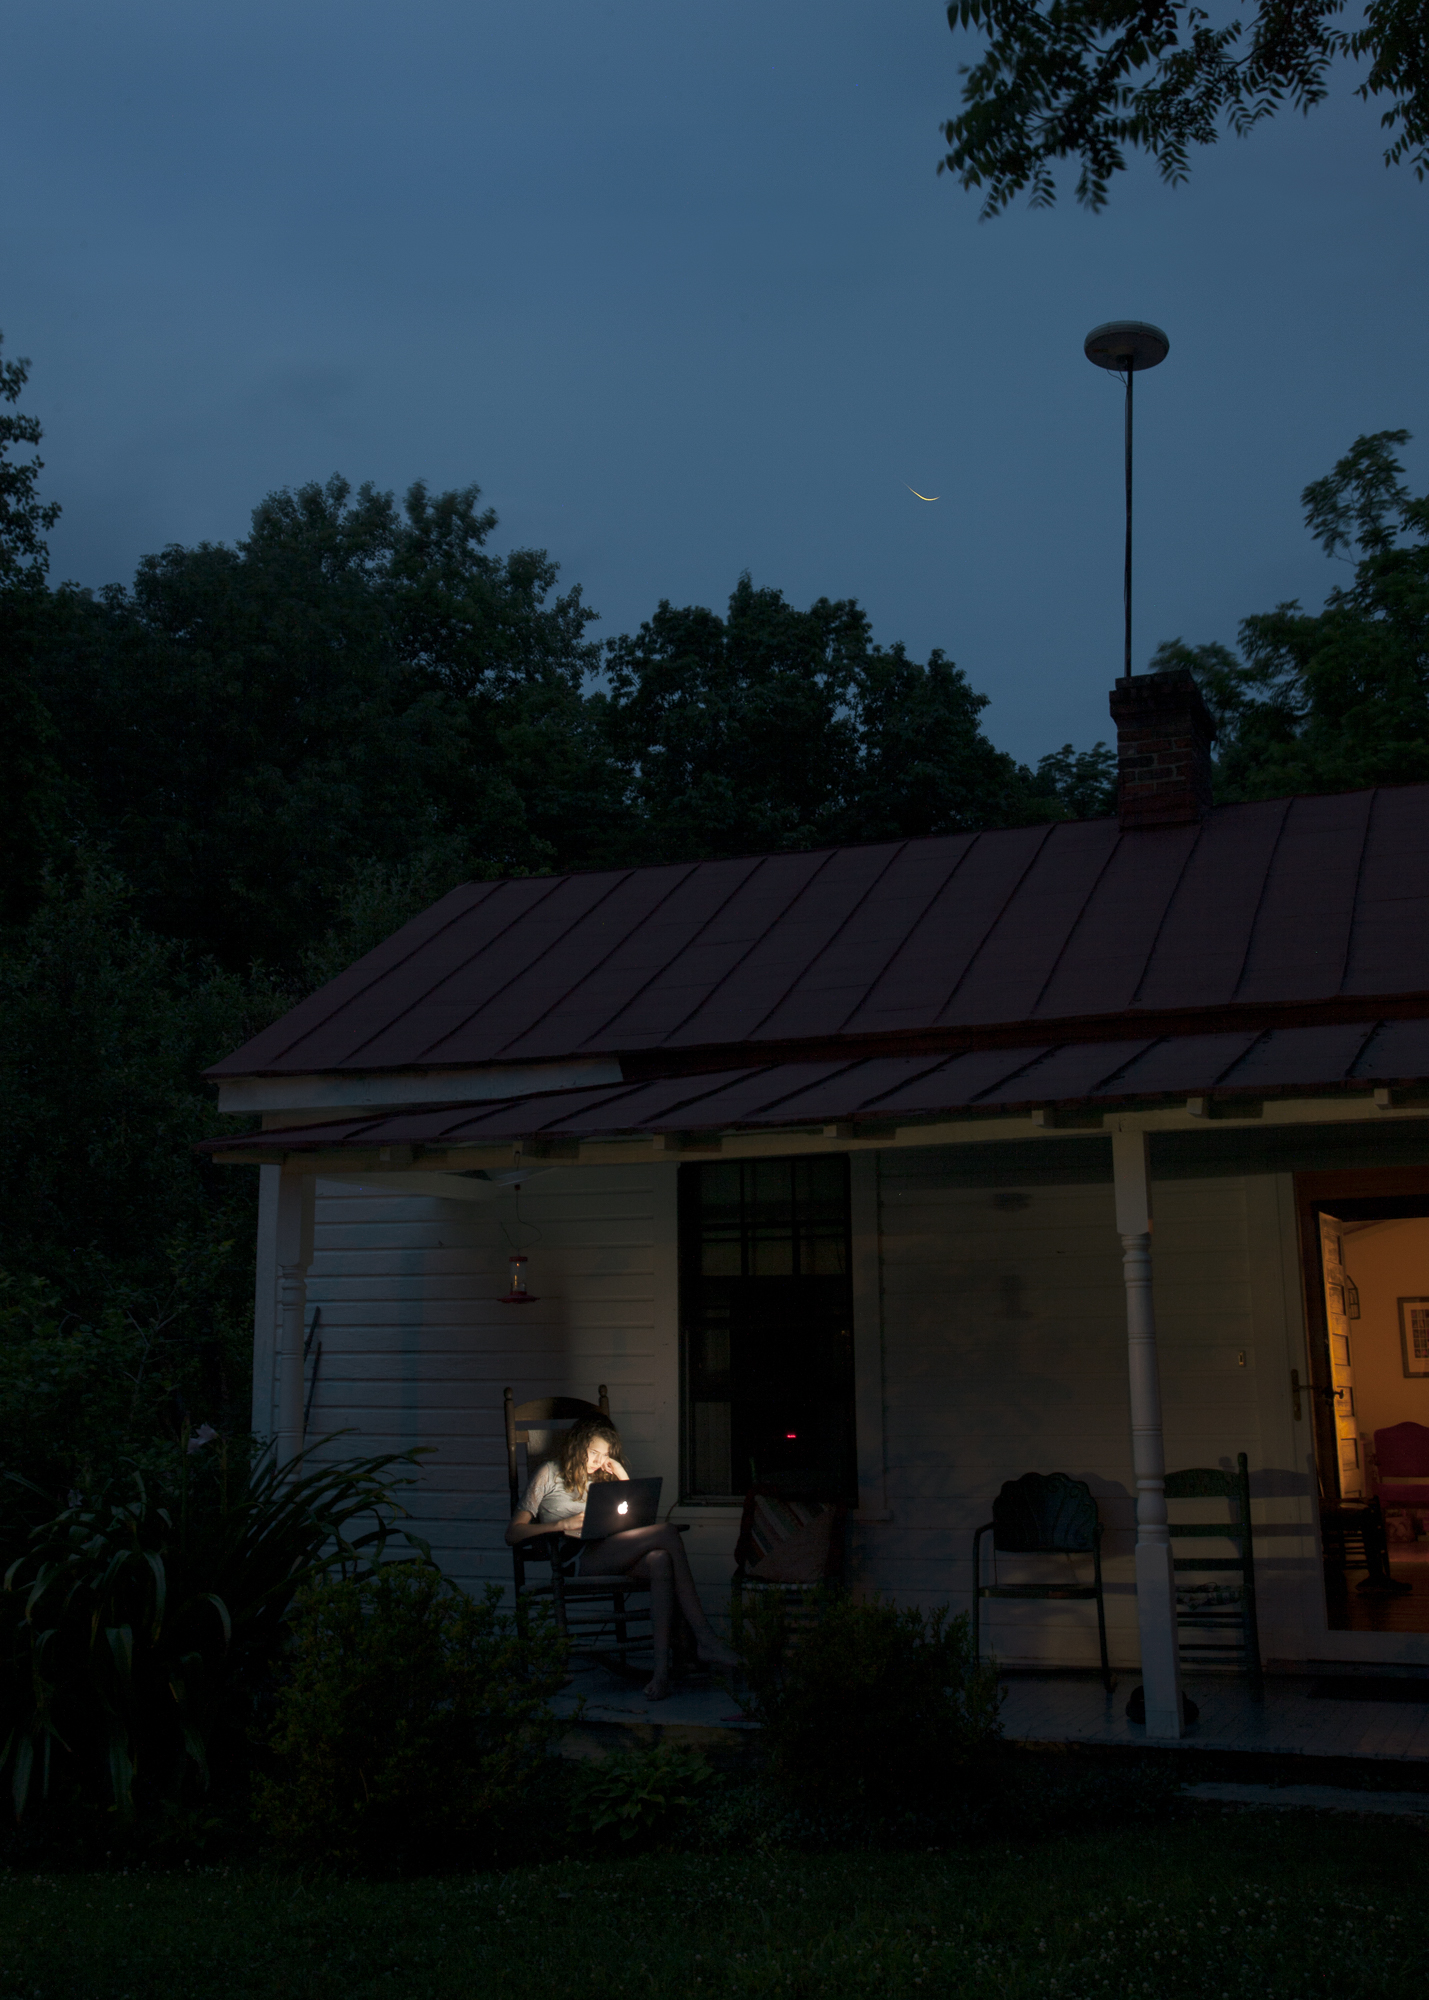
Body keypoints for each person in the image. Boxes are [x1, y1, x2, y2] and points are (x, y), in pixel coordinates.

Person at [506, 1416, 741, 1701]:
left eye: (604, 1455)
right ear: (577, 1445)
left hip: (610, 1550)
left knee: (660, 1560)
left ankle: (661, 1673)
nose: (597, 1460)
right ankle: (704, 1638)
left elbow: (637, 1524)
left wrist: (620, 1475)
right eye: (593, 1452)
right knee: (666, 1533)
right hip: (576, 1558)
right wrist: (561, 1525)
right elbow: (513, 1533)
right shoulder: (549, 1472)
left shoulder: (604, 1481)